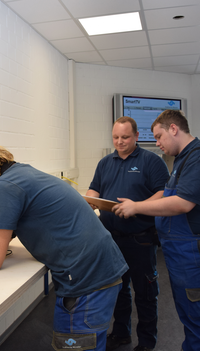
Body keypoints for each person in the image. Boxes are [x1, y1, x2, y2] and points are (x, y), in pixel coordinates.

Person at [0, 139, 128, 351]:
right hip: (101, 268)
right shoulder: (21, 174)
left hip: (87, 280)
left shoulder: (5, 186)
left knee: (74, 346)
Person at [113, 110, 200, 351]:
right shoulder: (182, 158)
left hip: (190, 254)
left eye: (159, 136)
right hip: (178, 253)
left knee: (195, 316)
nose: (157, 143)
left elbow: (183, 203)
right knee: (188, 314)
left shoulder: (196, 157)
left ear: (174, 129)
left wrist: (136, 207)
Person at [86, 117, 169, 351]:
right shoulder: (105, 163)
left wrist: (137, 206)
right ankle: (121, 333)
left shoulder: (151, 161)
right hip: (110, 239)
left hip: (140, 239)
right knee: (116, 290)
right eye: (115, 137)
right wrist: (89, 199)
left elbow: (164, 194)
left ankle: (146, 342)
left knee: (145, 293)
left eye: (125, 137)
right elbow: (95, 188)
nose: (119, 142)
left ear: (136, 137)